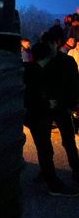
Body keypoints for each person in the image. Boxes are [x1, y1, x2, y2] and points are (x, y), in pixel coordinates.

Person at [24, 41, 79, 196]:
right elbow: (74, 84)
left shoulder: (30, 69)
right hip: (50, 110)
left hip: (45, 112)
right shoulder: (65, 62)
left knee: (45, 147)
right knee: (54, 145)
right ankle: (55, 181)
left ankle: (49, 176)